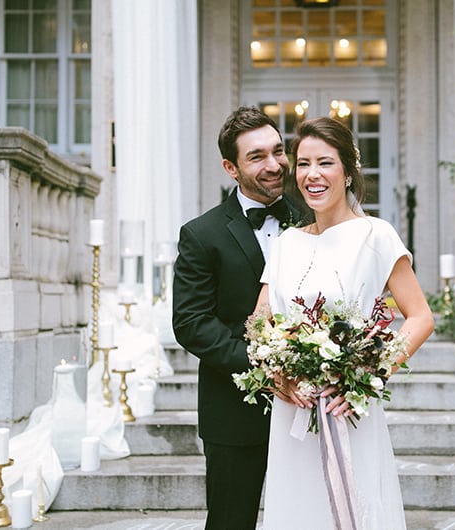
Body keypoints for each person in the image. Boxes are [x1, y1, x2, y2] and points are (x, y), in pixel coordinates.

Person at [255, 116, 435, 529]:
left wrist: (367, 374)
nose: (311, 175)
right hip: (292, 415)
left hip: (345, 409)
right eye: (302, 163)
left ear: (349, 171)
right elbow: (260, 323)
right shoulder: (286, 243)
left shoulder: (376, 235)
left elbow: (421, 316)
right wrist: (274, 375)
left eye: (325, 163)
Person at [171, 106, 303, 530]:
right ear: (231, 167)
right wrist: (262, 364)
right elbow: (191, 323)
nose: (274, 165)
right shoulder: (202, 234)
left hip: (308, 406)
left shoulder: (313, 219)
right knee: (231, 521)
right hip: (233, 409)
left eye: (278, 151)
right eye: (257, 156)